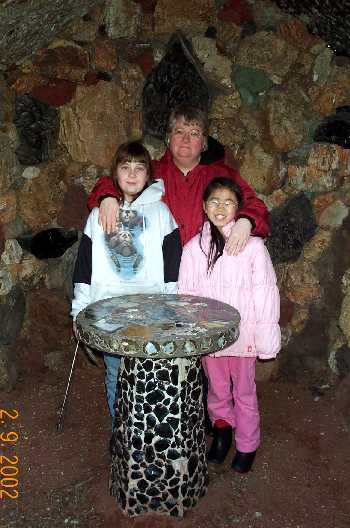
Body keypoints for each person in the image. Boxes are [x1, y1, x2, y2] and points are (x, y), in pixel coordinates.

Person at [71, 141, 182, 419]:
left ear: (148, 175)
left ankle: (144, 438)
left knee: (151, 376)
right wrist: (78, 310)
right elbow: (84, 267)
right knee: (115, 374)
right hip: (109, 312)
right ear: (115, 173)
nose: (132, 175)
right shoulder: (98, 215)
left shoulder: (161, 213)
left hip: (153, 311)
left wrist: (172, 307)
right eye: (125, 167)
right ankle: (121, 436)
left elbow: (173, 265)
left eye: (139, 168)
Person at [177, 177, 281, 473]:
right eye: (214, 201)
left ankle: (248, 443)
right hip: (211, 338)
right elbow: (187, 297)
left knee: (244, 391)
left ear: (239, 208)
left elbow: (265, 291)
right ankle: (222, 436)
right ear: (203, 206)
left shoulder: (253, 247)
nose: (220, 207)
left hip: (243, 335)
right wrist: (191, 335)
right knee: (217, 391)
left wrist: (265, 336)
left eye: (228, 202)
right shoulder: (193, 249)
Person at [87, 104, 269, 254]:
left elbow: (256, 206)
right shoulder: (151, 171)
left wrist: (246, 222)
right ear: (168, 138)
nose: (186, 139)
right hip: (160, 271)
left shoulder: (223, 175)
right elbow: (113, 180)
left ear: (204, 143)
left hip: (208, 270)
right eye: (179, 131)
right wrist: (108, 197)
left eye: (194, 133)